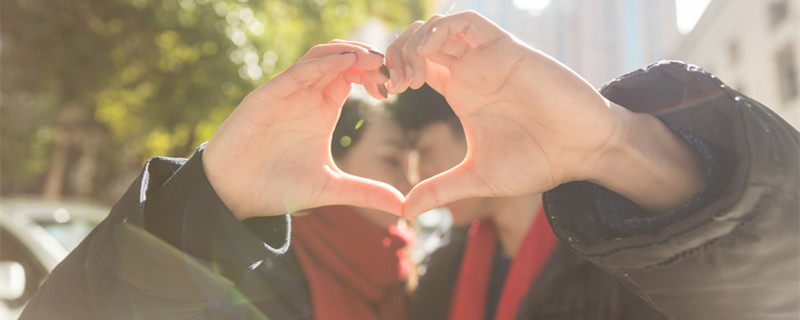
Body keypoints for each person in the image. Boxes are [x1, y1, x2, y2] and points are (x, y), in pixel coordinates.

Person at [385, 12, 798, 320]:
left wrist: (613, 145)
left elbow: (781, 287)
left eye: (423, 149)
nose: (417, 174)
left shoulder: (623, 255)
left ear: (471, 126)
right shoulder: (439, 274)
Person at [20, 42, 415, 320]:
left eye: (417, 161)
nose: (411, 178)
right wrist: (209, 204)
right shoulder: (251, 268)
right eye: (392, 157)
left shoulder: (410, 279)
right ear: (331, 156)